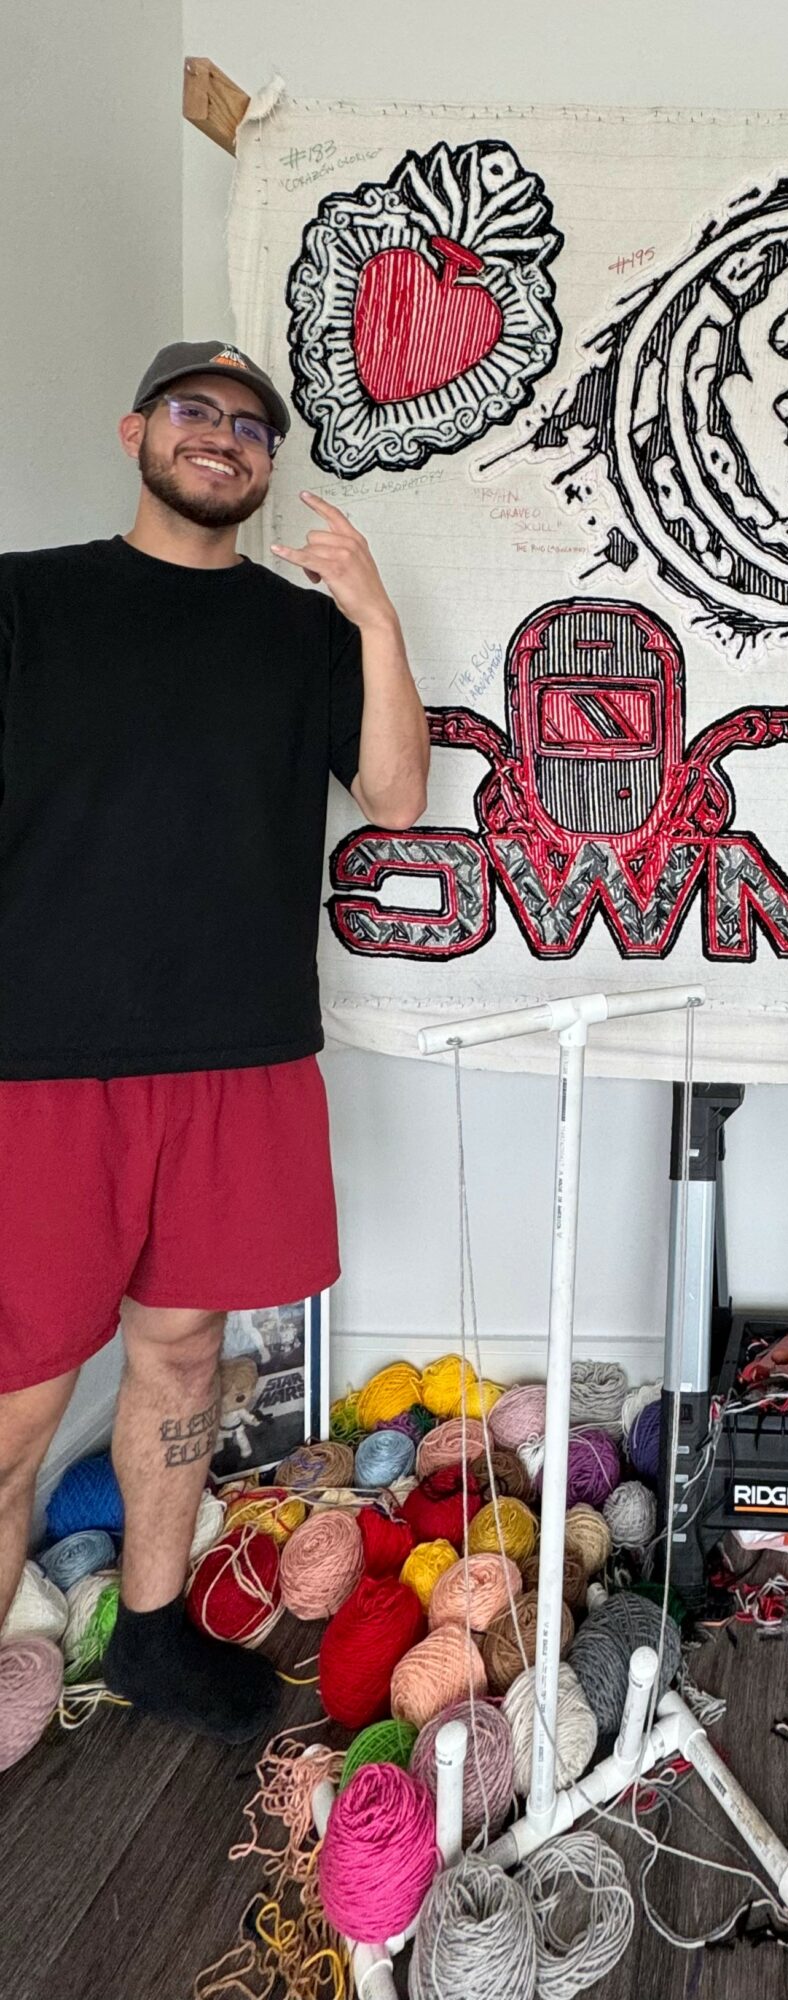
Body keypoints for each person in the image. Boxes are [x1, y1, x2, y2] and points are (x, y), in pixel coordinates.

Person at [0, 341, 428, 1740]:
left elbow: (396, 795)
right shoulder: (28, 600)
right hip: (43, 1067)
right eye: (195, 410)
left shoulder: (302, 632)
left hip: (239, 1057)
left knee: (182, 1362)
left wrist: (373, 611)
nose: (224, 437)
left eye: (251, 426)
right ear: (135, 431)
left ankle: (155, 1635)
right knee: (16, 1406)